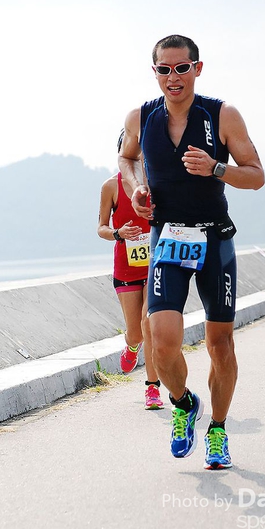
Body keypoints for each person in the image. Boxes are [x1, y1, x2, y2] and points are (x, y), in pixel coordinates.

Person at [119, 34, 265, 469]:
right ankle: (183, 404)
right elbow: (127, 159)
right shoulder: (140, 117)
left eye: (182, 68)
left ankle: (217, 430)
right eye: (164, 69)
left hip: (215, 239)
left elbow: (256, 175)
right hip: (168, 237)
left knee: (220, 345)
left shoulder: (222, 115)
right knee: (161, 343)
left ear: (197, 69)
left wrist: (217, 168)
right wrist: (137, 187)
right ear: (155, 72)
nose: (173, 77)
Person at [98, 131, 163, 409]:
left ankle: (152, 388)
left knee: (150, 325)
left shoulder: (158, 185)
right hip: (126, 268)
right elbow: (101, 228)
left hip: (155, 264)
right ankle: (131, 345)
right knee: (137, 333)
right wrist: (118, 233)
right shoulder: (110, 187)